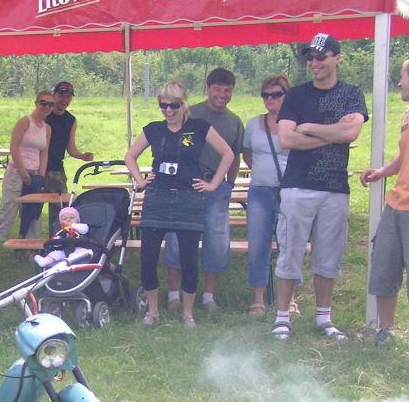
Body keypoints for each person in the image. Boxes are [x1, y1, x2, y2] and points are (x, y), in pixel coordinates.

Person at [271, 33, 368, 341]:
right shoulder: (296, 95)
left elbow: (351, 133)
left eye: (320, 57)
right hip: (298, 186)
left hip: (335, 187)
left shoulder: (352, 94)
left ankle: (324, 318)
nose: (313, 63)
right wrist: (334, 133)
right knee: (290, 251)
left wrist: (310, 128)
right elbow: (286, 138)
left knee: (329, 256)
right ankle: (282, 317)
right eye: (309, 57)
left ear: (337, 58)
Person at [124, 81, 234, 327]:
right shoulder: (153, 129)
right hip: (158, 197)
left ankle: (187, 313)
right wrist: (140, 180)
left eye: (174, 106)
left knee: (188, 258)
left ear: (184, 105)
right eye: (163, 105)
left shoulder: (199, 127)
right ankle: (153, 310)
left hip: (188, 198)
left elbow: (228, 154)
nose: (168, 111)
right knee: (148, 257)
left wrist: (213, 184)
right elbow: (130, 156)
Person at [361, 54, 409, 357]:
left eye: (402, 76)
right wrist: (382, 171)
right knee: (384, 267)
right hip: (396, 205)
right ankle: (385, 331)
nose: (399, 83)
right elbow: (405, 156)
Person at [163, 68, 244, 313]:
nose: (222, 95)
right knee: (176, 239)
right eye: (217, 89)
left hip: (216, 188)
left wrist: (228, 183)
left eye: (227, 90)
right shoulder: (191, 114)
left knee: (216, 242)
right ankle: (174, 294)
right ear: (208, 89)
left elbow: (234, 156)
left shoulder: (234, 121)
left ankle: (209, 296)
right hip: (185, 186)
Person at [0, 91, 54, 261]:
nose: (46, 107)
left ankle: (32, 250)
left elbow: (44, 153)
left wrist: (41, 176)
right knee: (8, 210)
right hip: (16, 172)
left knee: (33, 213)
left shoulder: (47, 129)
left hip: (35, 173)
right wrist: (23, 172)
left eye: (50, 104)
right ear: (36, 103)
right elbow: (14, 148)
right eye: (43, 103)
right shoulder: (24, 122)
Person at [241, 74, 292, 315]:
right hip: (260, 190)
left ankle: (289, 299)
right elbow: (247, 153)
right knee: (258, 244)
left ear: (286, 95)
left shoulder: (295, 123)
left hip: (288, 190)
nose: (270, 99)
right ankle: (258, 299)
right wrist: (261, 172)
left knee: (288, 244)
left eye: (275, 94)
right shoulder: (253, 124)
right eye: (265, 95)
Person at [45, 81, 94, 235]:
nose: (64, 100)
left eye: (68, 97)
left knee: (61, 210)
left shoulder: (71, 120)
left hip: (56, 169)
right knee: (32, 208)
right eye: (61, 96)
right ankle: (25, 242)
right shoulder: (45, 115)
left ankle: (59, 238)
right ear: (54, 95)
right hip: (37, 168)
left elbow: (71, 148)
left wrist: (82, 156)